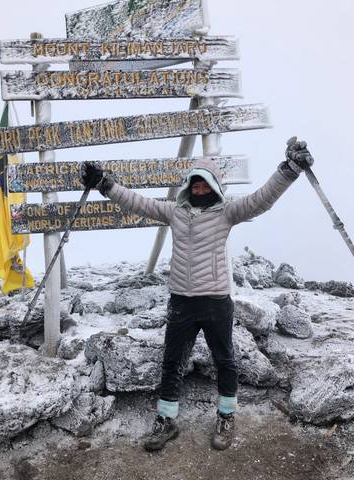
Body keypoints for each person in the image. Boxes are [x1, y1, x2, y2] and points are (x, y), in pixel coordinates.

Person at [80, 137, 314, 452]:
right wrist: (105, 185)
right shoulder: (174, 212)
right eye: (195, 185)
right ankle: (166, 421)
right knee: (172, 361)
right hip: (181, 302)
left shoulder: (227, 213)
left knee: (224, 360)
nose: (200, 190)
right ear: (188, 187)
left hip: (216, 302)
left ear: (215, 187)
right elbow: (136, 202)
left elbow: (263, 198)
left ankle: (226, 416)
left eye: (205, 186)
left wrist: (289, 170)